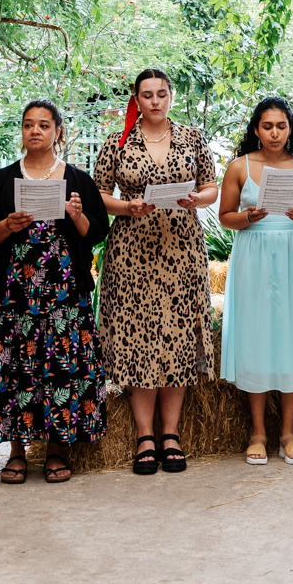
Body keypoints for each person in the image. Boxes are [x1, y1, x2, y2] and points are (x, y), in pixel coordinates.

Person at [0, 100, 109, 484]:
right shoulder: (2, 179)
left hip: (64, 294)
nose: (35, 131)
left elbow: (98, 233)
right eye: (29, 124)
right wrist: (8, 225)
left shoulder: (78, 179)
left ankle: (56, 449)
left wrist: (78, 216)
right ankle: (16, 452)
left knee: (61, 366)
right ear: (22, 131)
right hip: (14, 294)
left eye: (44, 125)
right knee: (14, 366)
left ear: (57, 132)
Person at [94, 69, 218, 475]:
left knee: (178, 339)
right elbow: (98, 193)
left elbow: (211, 185)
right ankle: (144, 435)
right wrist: (126, 207)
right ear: (136, 98)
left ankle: (171, 434)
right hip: (132, 251)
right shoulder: (118, 141)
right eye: (147, 95)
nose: (155, 102)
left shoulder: (192, 137)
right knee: (138, 339)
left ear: (171, 96)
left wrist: (197, 199)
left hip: (181, 249)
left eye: (161, 94)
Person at [219, 96, 293, 467]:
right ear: (256, 130)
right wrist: (248, 216)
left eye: (282, 126)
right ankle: (258, 432)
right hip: (253, 256)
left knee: (291, 335)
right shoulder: (239, 166)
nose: (275, 133)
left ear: (290, 129)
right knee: (256, 336)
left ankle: (289, 432)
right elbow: (225, 218)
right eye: (268, 126)